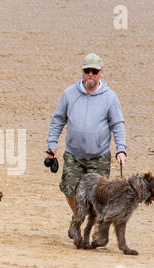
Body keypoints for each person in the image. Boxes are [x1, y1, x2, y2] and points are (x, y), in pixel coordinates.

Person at [46, 53, 127, 216]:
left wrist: (121, 150)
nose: (90, 74)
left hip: (99, 156)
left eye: (94, 71)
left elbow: (117, 125)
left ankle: (95, 227)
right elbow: (58, 120)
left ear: (100, 73)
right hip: (73, 154)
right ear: (82, 72)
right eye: (87, 71)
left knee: (100, 196)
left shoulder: (110, 97)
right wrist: (52, 144)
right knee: (69, 190)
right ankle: (79, 217)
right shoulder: (69, 93)